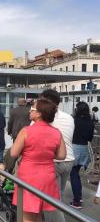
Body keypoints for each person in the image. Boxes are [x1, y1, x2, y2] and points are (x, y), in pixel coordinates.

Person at [11, 99, 66, 222]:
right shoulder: (56, 132)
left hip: (29, 176)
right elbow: (62, 155)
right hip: (48, 176)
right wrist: (47, 154)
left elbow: (13, 153)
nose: (30, 111)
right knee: (38, 212)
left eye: (33, 109)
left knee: (27, 215)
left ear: (40, 113)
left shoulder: (26, 131)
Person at [40, 89, 75, 222]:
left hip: (54, 161)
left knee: (52, 198)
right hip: (69, 160)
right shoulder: (69, 117)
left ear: (47, 101)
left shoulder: (46, 117)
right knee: (59, 193)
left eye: (41, 100)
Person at [70, 101, 94, 209]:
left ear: (78, 110)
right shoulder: (90, 122)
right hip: (84, 148)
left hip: (74, 148)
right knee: (76, 173)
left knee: (73, 174)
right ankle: (78, 197)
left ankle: (77, 201)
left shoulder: (74, 121)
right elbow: (90, 138)